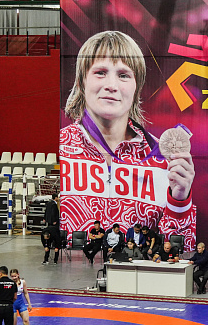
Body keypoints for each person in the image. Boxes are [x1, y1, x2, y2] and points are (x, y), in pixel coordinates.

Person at [59, 30, 196, 251]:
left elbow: (181, 249)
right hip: (74, 270)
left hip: (136, 269)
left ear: (136, 86)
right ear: (82, 81)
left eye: (123, 75)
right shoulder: (61, 148)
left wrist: (180, 201)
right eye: (100, 72)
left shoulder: (162, 158)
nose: (111, 85)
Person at [43, 193, 61, 263]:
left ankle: (46, 259)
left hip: (49, 222)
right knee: (54, 234)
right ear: (55, 198)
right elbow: (54, 213)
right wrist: (54, 220)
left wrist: (45, 218)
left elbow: (46, 211)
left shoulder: (49, 203)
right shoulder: (54, 205)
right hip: (53, 223)